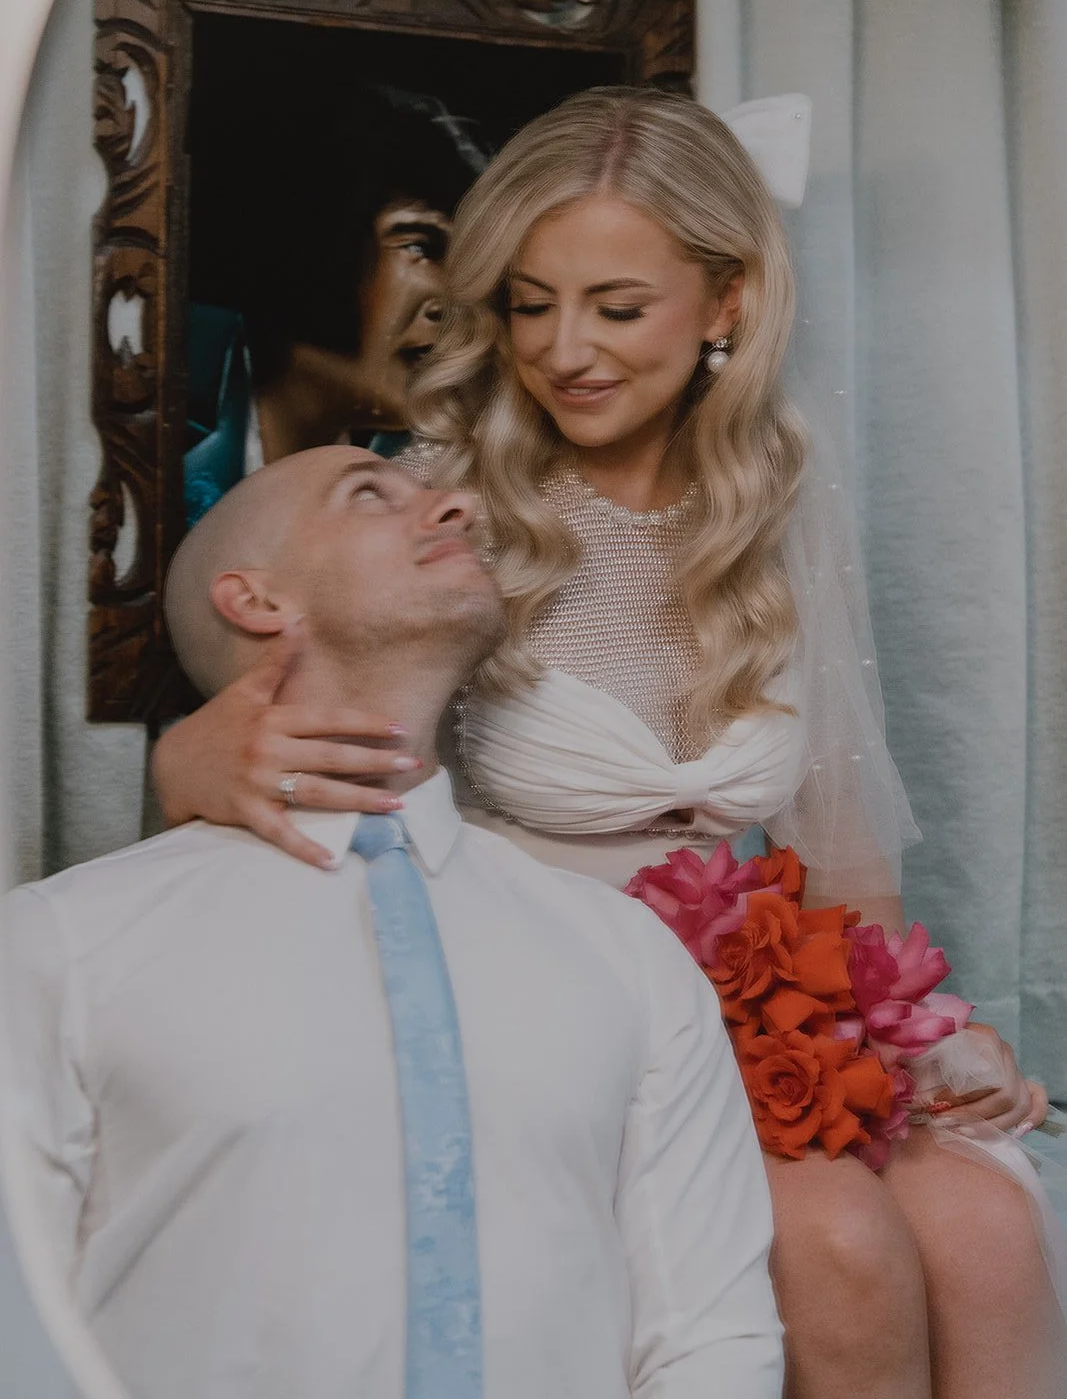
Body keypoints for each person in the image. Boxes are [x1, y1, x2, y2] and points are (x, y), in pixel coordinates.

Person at [152, 88, 1061, 1398]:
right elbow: (268, 695)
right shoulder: (441, 503)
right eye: (528, 303)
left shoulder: (774, 494)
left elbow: (840, 839)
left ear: (725, 303)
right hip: (550, 1014)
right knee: (837, 1241)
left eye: (614, 308)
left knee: (983, 1222)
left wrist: (921, 1025)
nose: (562, 350)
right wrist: (192, 768)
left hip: (759, 999)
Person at [0, 446, 784, 1399]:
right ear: (255, 601)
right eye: (370, 495)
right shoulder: (59, 946)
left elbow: (710, 1336)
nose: (456, 504)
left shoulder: (623, 957)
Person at [183, 88, 488, 525]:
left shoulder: (442, 473)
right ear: (312, 246)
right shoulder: (166, 435)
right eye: (421, 246)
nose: (458, 300)